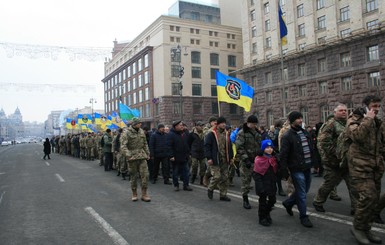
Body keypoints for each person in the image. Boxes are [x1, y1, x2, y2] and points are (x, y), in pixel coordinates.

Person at [347, 95, 384, 244]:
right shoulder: (354, 119)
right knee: (368, 196)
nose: (377, 109)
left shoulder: (378, 122)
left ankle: (366, 228)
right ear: (366, 106)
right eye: (374, 106)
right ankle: (357, 227)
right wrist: (368, 119)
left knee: (374, 200)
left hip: (375, 166)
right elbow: (357, 136)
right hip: (359, 166)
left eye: (378, 106)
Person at [313, 104, 356, 214]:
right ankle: (318, 202)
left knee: (354, 185)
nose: (344, 112)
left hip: (347, 162)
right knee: (329, 184)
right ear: (335, 112)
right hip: (333, 162)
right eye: (341, 110)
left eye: (345, 110)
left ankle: (356, 209)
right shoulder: (330, 124)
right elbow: (324, 143)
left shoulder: (349, 124)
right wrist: (337, 156)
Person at [280, 111, 314, 228]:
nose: (300, 120)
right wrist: (284, 171)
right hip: (296, 168)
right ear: (292, 121)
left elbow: (311, 148)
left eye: (301, 118)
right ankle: (303, 217)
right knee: (301, 193)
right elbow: (283, 155)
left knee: (305, 190)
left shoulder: (304, 132)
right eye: (298, 118)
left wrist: (316, 162)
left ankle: (288, 203)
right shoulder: (287, 136)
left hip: (307, 166)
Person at [121, 118, 151, 202]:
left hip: (142, 156)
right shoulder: (126, 132)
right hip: (132, 157)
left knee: (145, 175)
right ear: (134, 124)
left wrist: (148, 153)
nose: (140, 124)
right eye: (139, 123)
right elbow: (123, 146)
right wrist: (128, 155)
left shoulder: (141, 131)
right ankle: (134, 193)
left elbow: (145, 144)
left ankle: (144, 194)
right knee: (133, 176)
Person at [235, 115, 261, 209]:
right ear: (248, 123)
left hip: (257, 160)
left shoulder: (257, 132)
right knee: (246, 181)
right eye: (253, 123)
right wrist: (245, 159)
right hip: (247, 161)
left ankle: (262, 200)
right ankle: (245, 199)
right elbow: (239, 147)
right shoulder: (242, 133)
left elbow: (260, 144)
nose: (254, 125)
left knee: (260, 181)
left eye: (255, 124)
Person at [204, 116, 233, 201]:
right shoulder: (211, 133)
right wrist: (209, 157)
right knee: (217, 176)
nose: (224, 125)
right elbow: (207, 146)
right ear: (218, 124)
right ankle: (210, 188)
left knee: (224, 178)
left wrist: (230, 158)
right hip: (214, 158)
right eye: (222, 123)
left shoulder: (226, 133)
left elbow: (229, 146)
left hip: (225, 159)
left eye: (225, 123)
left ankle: (223, 195)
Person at [253, 139, 277, 226]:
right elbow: (256, 174)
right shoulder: (259, 159)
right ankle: (262, 217)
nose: (269, 149)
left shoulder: (274, 158)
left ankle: (267, 213)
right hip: (262, 184)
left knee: (272, 200)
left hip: (271, 183)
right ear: (263, 149)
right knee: (262, 202)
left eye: (271, 147)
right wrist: (260, 187)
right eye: (267, 147)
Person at [168, 120, 192, 191]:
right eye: (180, 125)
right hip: (176, 157)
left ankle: (186, 185)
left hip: (184, 156)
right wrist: (171, 156)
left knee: (186, 172)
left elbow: (187, 145)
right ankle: (176, 185)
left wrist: (189, 153)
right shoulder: (171, 134)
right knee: (175, 172)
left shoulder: (184, 133)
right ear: (176, 126)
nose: (182, 126)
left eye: (182, 125)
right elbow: (169, 146)